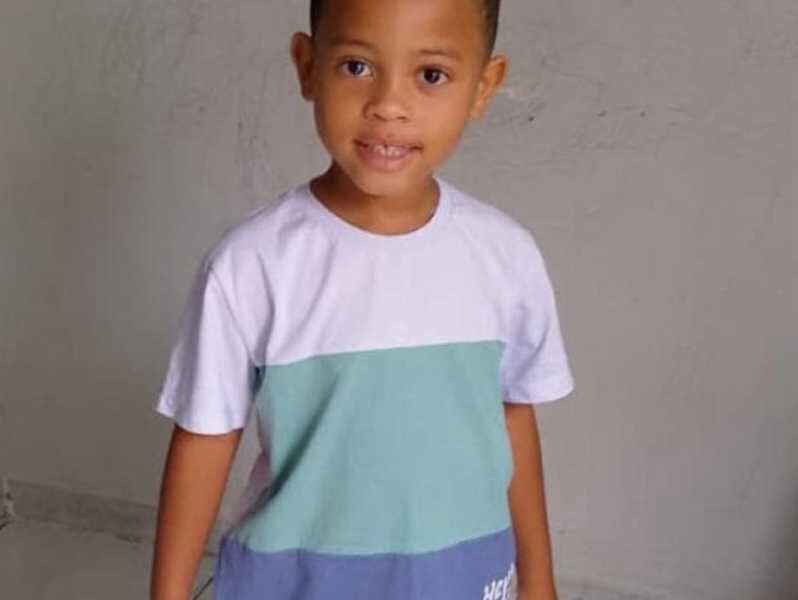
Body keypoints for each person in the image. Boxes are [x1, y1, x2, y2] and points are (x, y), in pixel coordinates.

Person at [150, 0, 576, 598]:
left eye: (431, 74)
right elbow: (205, 438)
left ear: (483, 87)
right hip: (294, 582)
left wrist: (539, 580)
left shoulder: (506, 256)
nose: (388, 105)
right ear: (307, 67)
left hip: (459, 580)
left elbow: (512, 415)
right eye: (357, 66)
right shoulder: (250, 265)